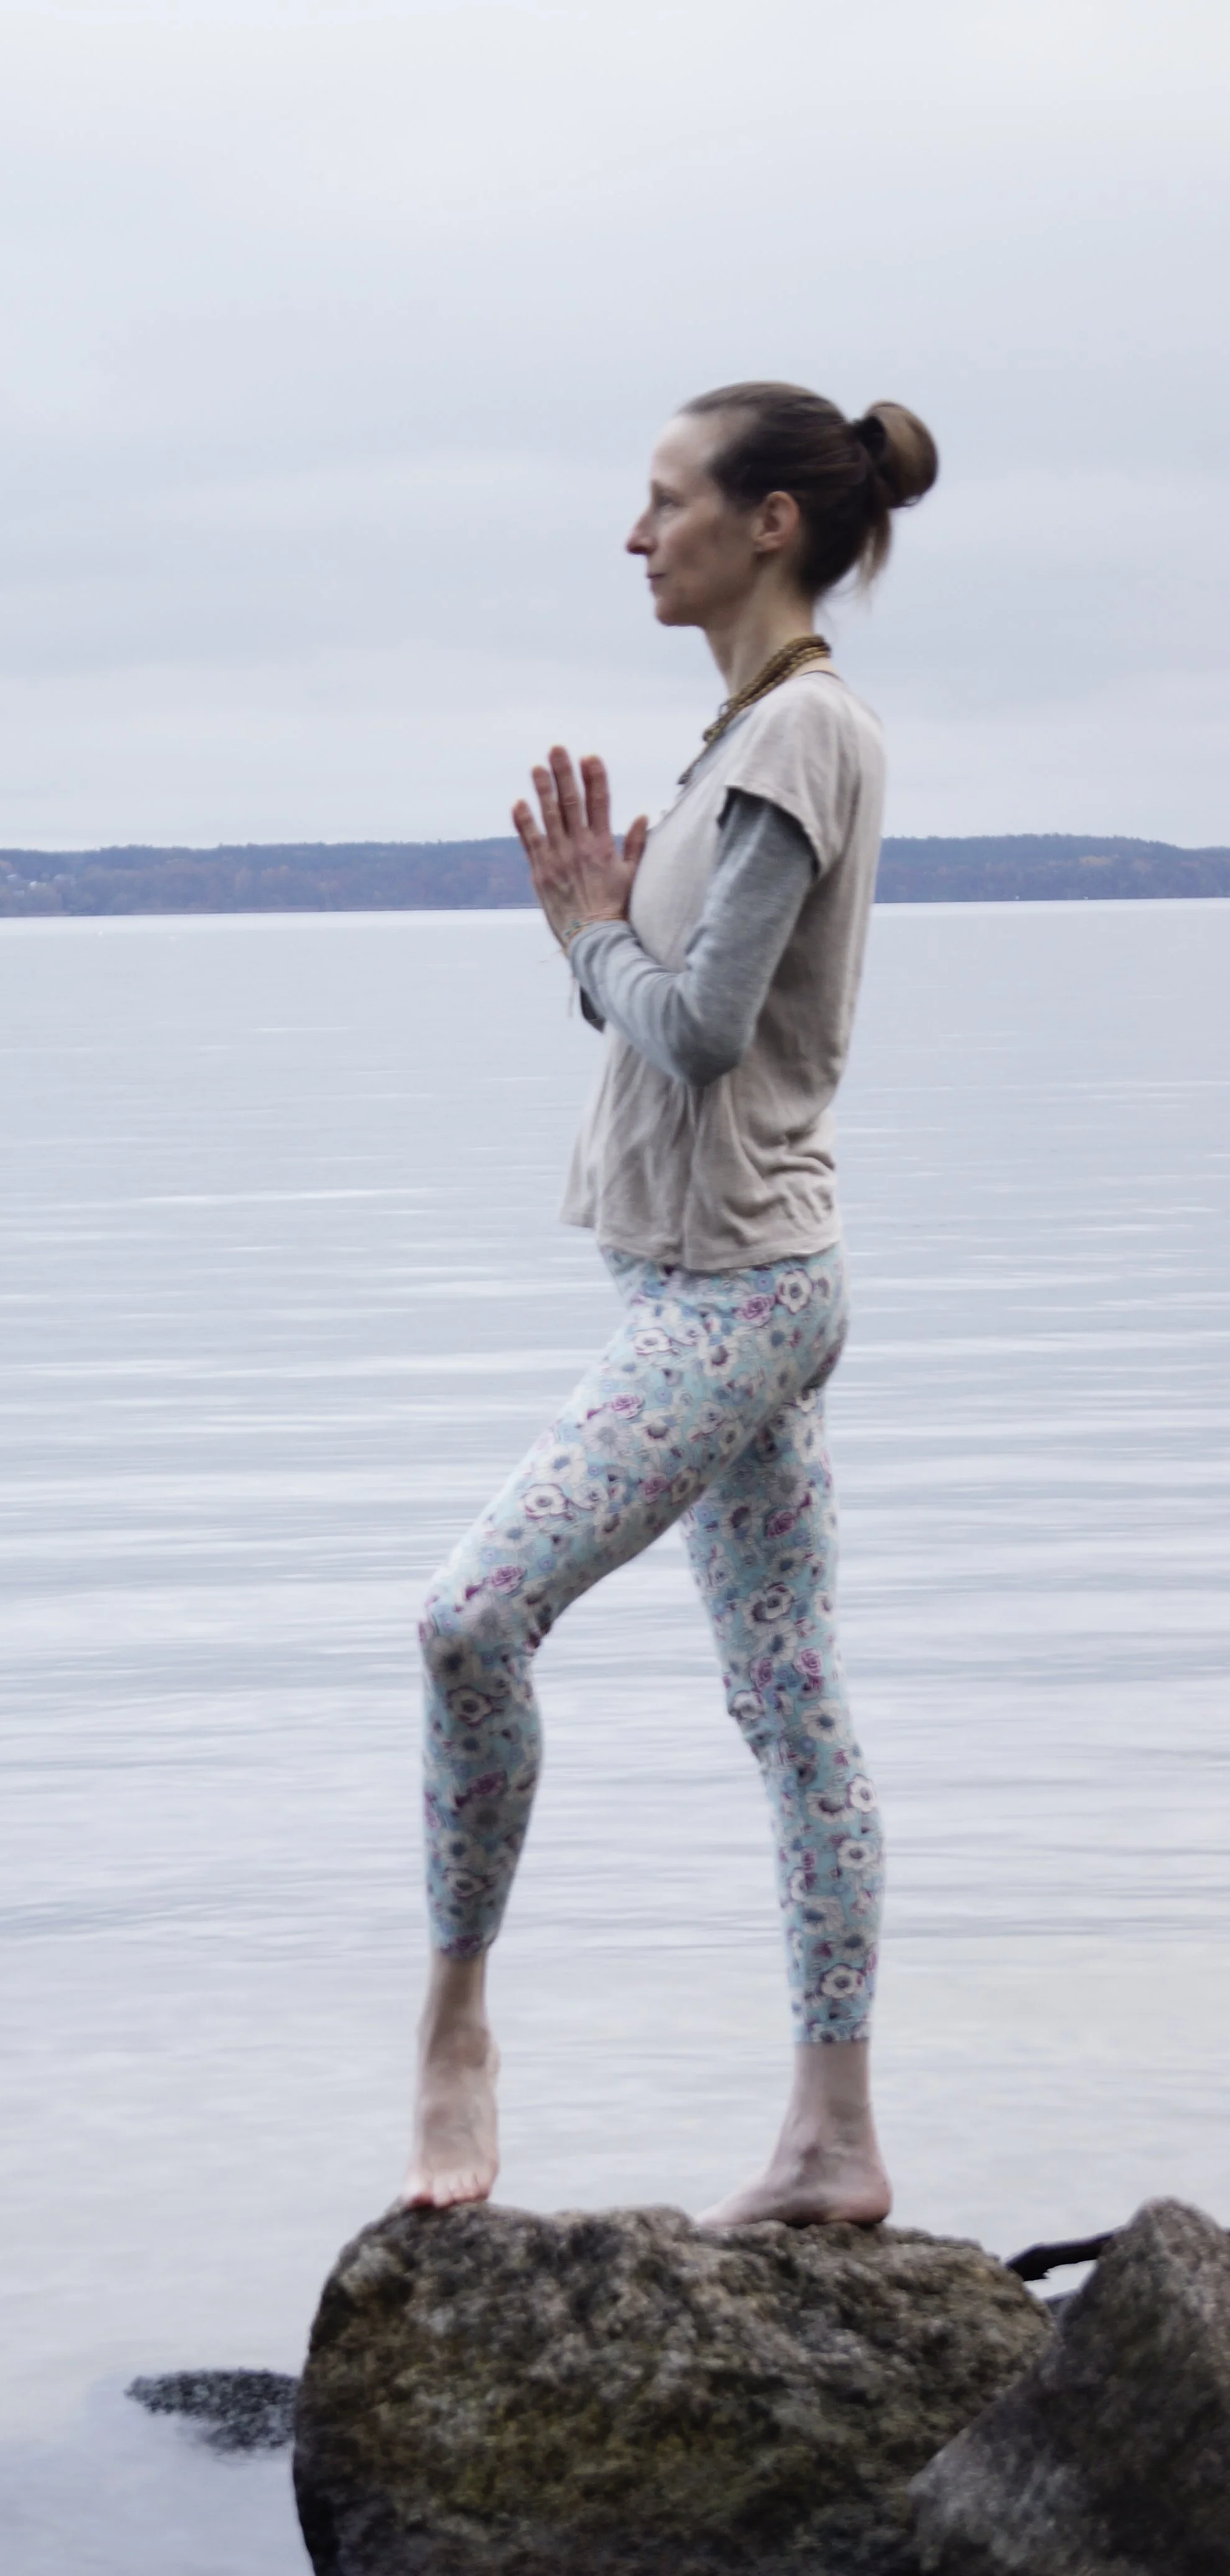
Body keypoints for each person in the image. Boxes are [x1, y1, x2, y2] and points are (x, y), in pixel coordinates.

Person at [403, 381, 938, 2224]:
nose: (635, 536)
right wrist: (620, 922)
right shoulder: (750, 740)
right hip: (719, 1273)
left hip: (738, 1295)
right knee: (789, 1701)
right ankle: (834, 2142)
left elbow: (698, 1032)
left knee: (470, 1620)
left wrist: (583, 936)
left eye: (661, 500)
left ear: (767, 522)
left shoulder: (794, 740)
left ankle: (454, 2030)